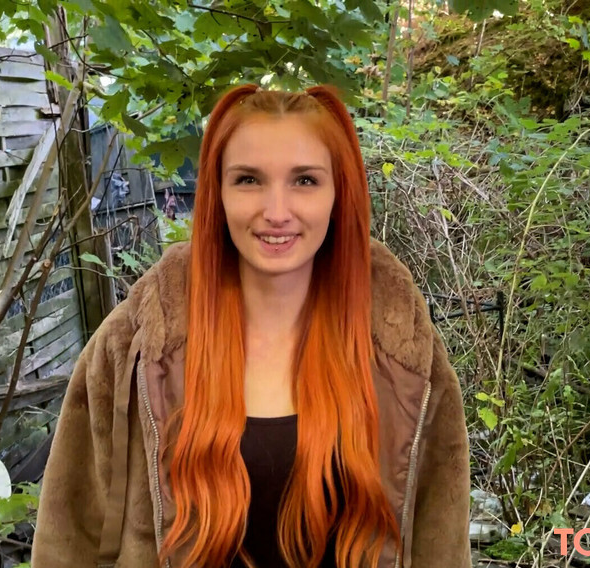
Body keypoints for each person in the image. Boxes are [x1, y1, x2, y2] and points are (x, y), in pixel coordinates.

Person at [33, 84, 470, 568]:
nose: (276, 212)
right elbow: (67, 540)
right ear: (217, 192)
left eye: (305, 180)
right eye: (248, 180)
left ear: (338, 192)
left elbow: (441, 544)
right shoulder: (134, 347)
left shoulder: (403, 353)